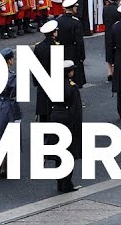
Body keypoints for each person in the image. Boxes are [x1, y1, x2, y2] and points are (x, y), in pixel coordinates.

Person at [48, 59, 83, 193]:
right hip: (68, 120)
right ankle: (67, 184)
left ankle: (60, 184)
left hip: (55, 116)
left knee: (59, 154)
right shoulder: (72, 86)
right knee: (68, 154)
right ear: (69, 73)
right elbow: (76, 109)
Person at [0, 47, 21, 178]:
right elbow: (15, 95)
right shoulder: (12, 76)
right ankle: (5, 167)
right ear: (8, 61)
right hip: (8, 106)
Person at [33, 20, 59, 122]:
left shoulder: (38, 46)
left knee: (43, 107)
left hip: (42, 81)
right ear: (53, 33)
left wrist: (36, 81)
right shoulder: (56, 46)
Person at [57, 0, 86, 85]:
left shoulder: (58, 20)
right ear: (73, 8)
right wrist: (82, 55)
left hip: (61, 49)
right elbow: (79, 41)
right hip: (73, 50)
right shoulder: (76, 22)